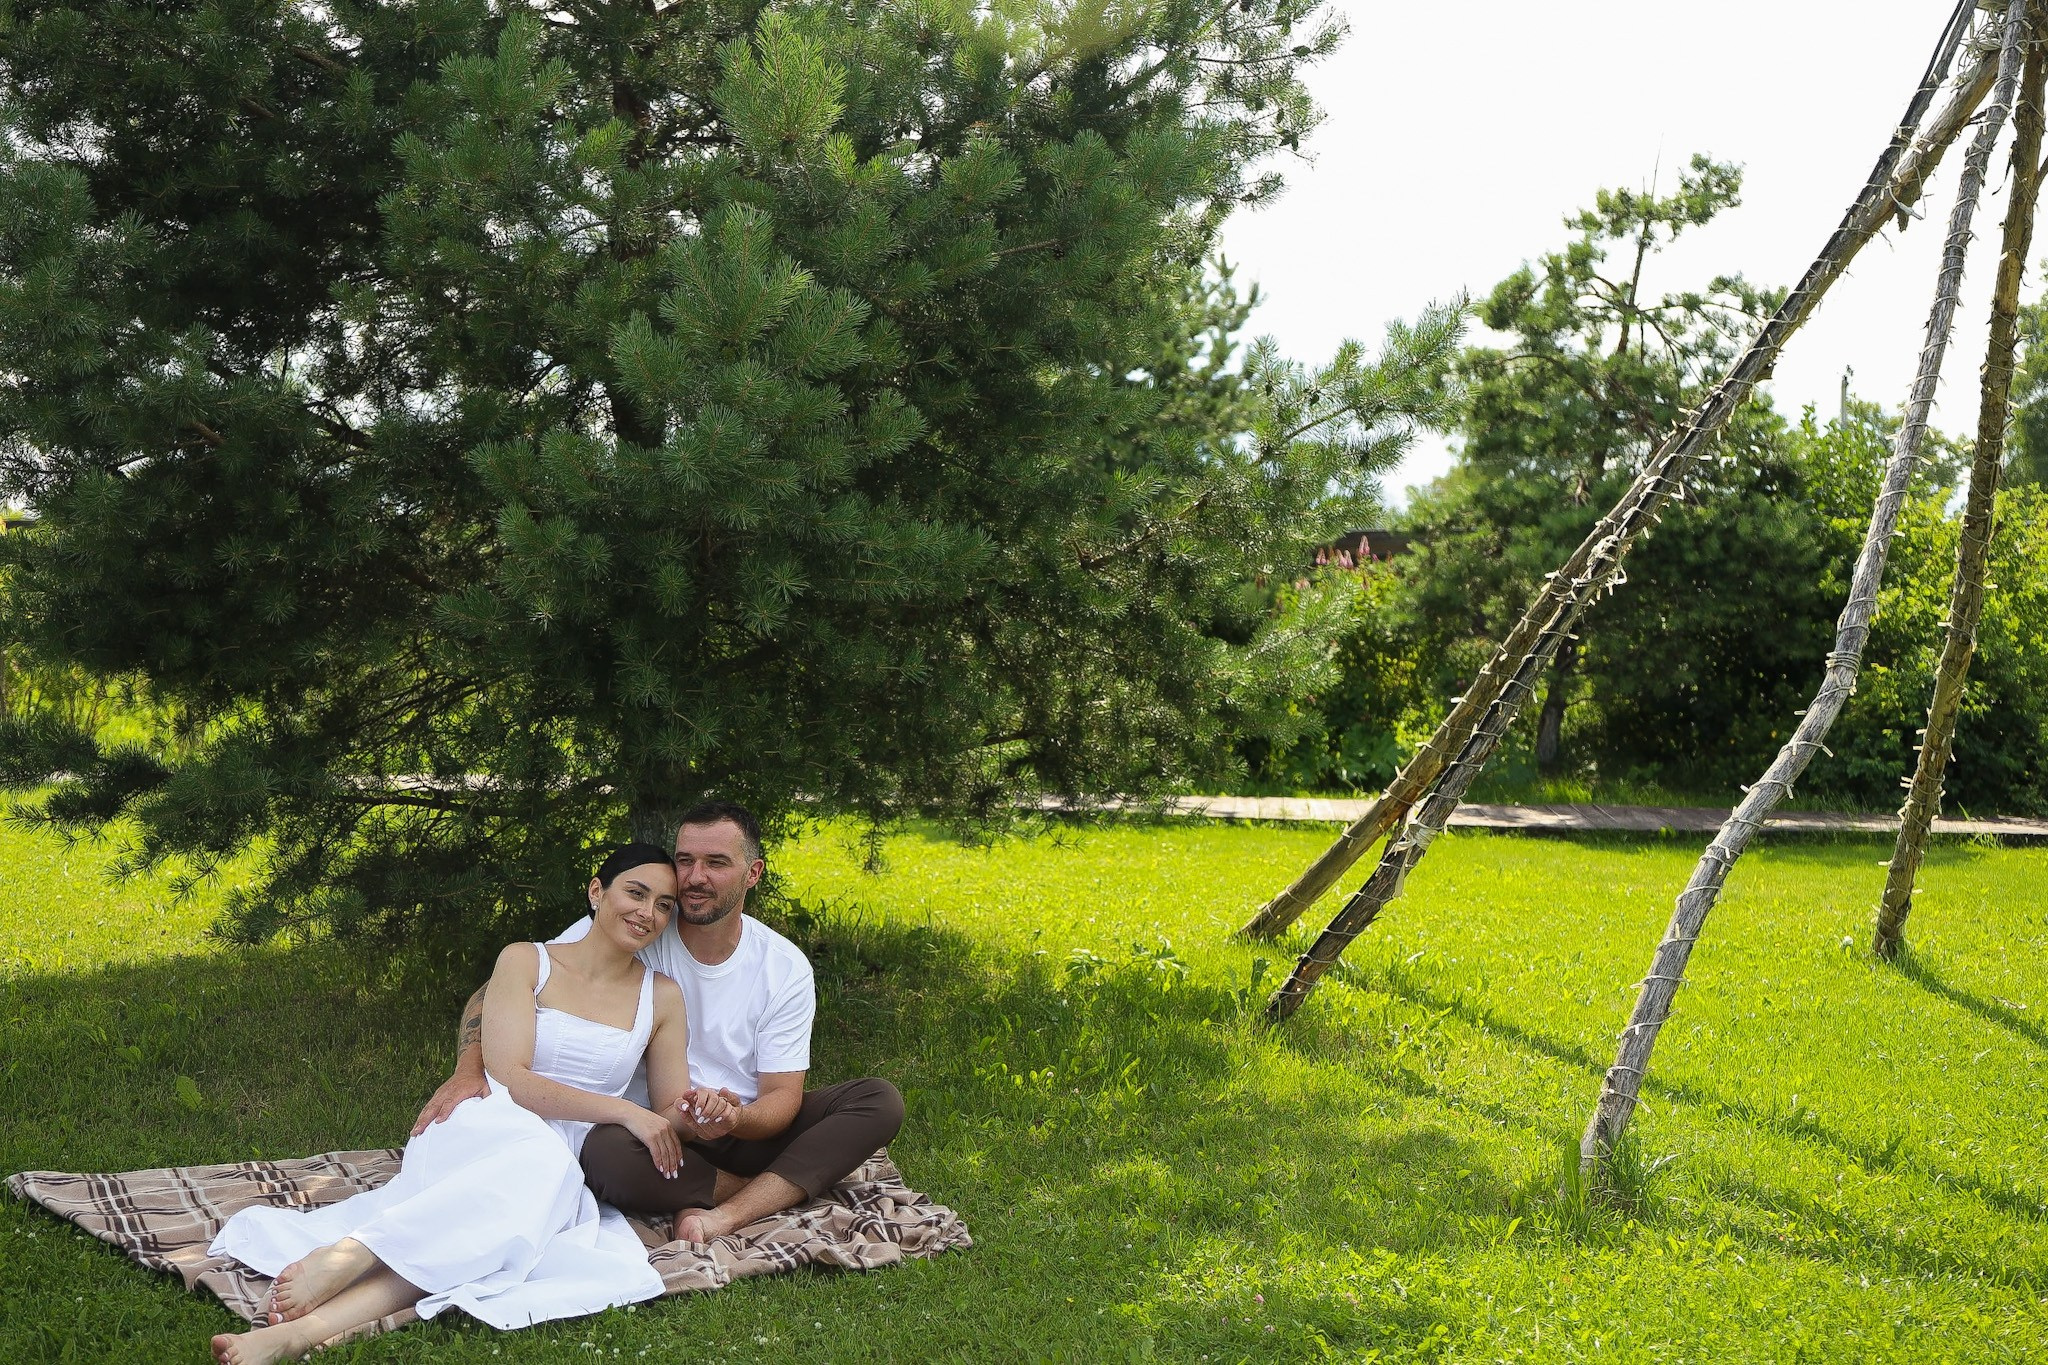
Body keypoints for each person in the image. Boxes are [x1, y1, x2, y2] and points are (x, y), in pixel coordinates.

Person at [207, 845, 724, 1365]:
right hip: (487, 1119)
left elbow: (668, 1110)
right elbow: (509, 1075)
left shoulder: (662, 996)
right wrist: (624, 1112)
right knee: (526, 1185)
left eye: (663, 905)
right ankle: (353, 1255)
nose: (647, 913)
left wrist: (702, 1110)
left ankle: (300, 1331)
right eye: (635, 893)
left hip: (562, 1154)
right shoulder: (527, 961)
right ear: (596, 891)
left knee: (480, 1238)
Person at [413, 800, 904, 1243]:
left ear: (752, 873)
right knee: (603, 1157)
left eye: (716, 863)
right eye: (686, 860)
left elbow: (783, 1096)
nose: (695, 877)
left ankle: (727, 1212)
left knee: (877, 1101)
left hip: (745, 1129)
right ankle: (779, 1189)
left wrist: (736, 1118)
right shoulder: (637, 922)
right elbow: (512, 985)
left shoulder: (783, 966)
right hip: (653, 1132)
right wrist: (470, 1069)